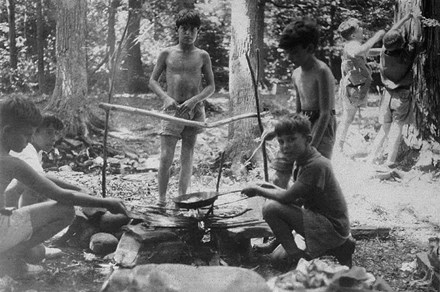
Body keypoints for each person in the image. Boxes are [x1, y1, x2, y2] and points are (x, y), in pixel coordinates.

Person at [0, 96, 128, 277]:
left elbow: (14, 190)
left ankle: (11, 255)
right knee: (65, 211)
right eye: (26, 135)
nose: (29, 141)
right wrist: (106, 202)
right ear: (7, 131)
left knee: (36, 252)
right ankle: (10, 256)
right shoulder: (12, 162)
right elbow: (62, 196)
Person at [241, 113, 354, 270]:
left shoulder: (316, 165)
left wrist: (258, 190)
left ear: (308, 140)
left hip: (332, 228)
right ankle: (337, 247)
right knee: (277, 258)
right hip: (320, 220)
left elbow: (288, 197)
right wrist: (268, 187)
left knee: (270, 208)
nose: (286, 146)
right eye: (281, 142)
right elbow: (297, 200)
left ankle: (299, 256)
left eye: (292, 139)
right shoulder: (302, 161)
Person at [149, 9, 215, 206]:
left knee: (188, 156)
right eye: (184, 29)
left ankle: (181, 199)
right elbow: (152, 81)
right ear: (177, 30)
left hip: (194, 111)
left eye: (193, 29)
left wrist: (195, 100)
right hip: (172, 111)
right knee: (165, 157)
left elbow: (211, 86)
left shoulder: (202, 55)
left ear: (197, 32)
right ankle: (161, 200)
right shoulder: (167, 53)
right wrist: (165, 98)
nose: (188, 33)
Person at [262, 18, 337, 189]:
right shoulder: (296, 74)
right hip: (303, 122)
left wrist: (312, 147)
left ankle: (309, 210)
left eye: (294, 52)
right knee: (282, 166)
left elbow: (325, 113)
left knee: (311, 172)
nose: (290, 57)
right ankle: (279, 200)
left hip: (322, 126)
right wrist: (276, 130)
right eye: (288, 52)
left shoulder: (322, 71)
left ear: (309, 48)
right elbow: (297, 113)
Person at [364, 12, 421, 167]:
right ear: (402, 44)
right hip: (401, 95)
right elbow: (416, 38)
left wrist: (404, 18)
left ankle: (372, 157)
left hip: (387, 95)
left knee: (385, 128)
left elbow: (390, 33)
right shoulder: (407, 55)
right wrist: (415, 19)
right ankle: (390, 161)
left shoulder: (383, 52)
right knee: (397, 128)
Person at [6, 114, 87, 208]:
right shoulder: (26, 150)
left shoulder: (36, 151)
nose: (54, 138)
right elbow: (39, 177)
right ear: (34, 133)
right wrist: (77, 189)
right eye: (49, 133)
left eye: (56, 133)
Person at [337, 18, 385, 152]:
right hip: (351, 86)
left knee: (348, 117)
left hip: (355, 84)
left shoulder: (354, 44)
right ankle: (338, 146)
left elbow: (366, 51)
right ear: (353, 35)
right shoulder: (352, 45)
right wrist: (376, 37)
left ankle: (339, 145)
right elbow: (360, 51)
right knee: (347, 117)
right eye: (359, 28)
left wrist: (385, 49)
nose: (362, 29)